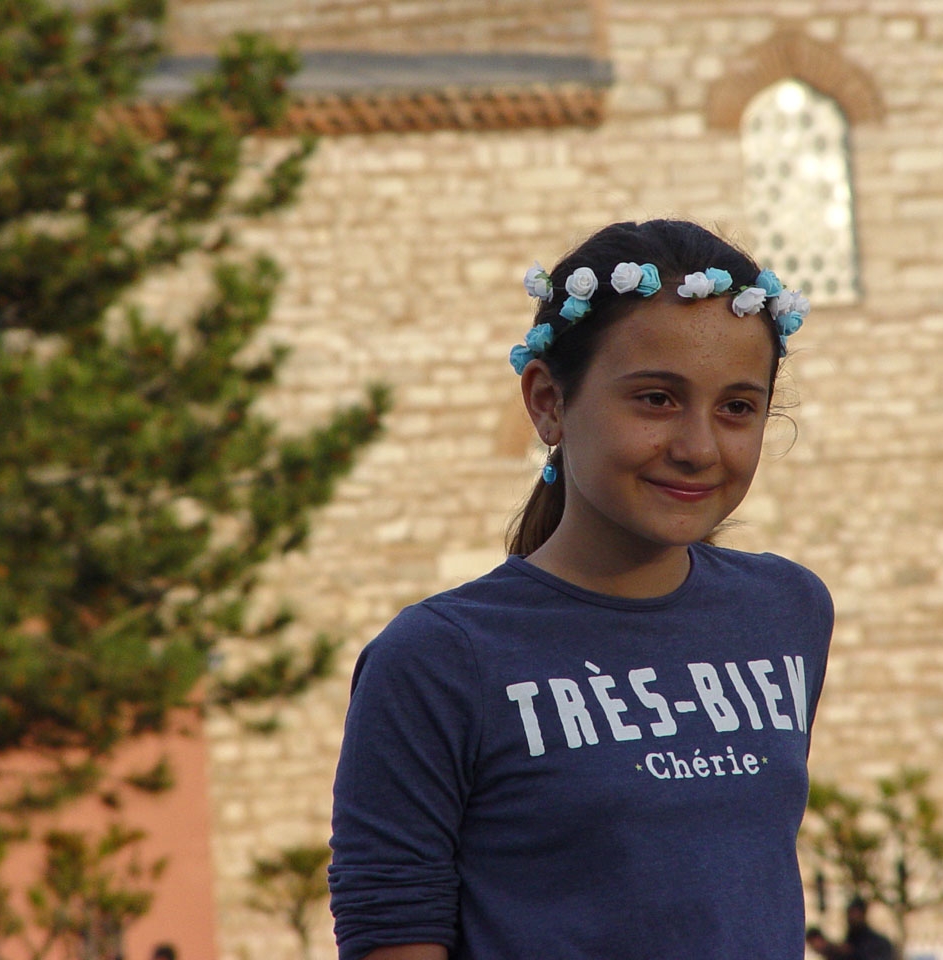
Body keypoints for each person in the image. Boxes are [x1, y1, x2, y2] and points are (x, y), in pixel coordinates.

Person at [328, 219, 831, 960]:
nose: (698, 447)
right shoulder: (438, 658)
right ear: (548, 402)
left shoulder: (787, 611)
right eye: (656, 399)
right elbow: (393, 927)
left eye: (736, 407)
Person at [845, 895, 894, 960]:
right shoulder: (847, 941)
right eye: (851, 913)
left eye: (855, 913)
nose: (853, 917)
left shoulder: (879, 943)